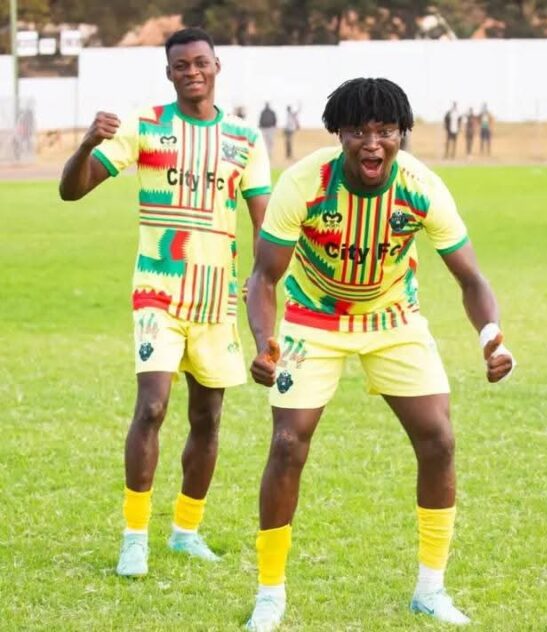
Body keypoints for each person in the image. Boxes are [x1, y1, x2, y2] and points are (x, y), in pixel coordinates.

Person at [245, 77, 515, 630]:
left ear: (402, 133)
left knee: (439, 440)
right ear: (338, 134)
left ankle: (431, 589)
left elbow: (471, 278)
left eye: (386, 131)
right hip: (312, 319)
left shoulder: (421, 187)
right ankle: (270, 594)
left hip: (393, 317)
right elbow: (264, 278)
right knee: (288, 443)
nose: (373, 143)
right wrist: (264, 342)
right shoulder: (304, 184)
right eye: (358, 132)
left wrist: (491, 335)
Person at [58, 27, 271, 578]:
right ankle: (134, 539)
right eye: (181, 65)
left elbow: (264, 223)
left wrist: (263, 281)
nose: (192, 72)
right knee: (151, 407)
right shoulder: (145, 126)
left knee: (207, 418)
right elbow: (72, 189)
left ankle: (185, 531)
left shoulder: (245, 139)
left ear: (217, 66)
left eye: (200, 62)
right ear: (169, 72)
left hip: (216, 300)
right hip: (158, 291)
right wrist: (86, 144)